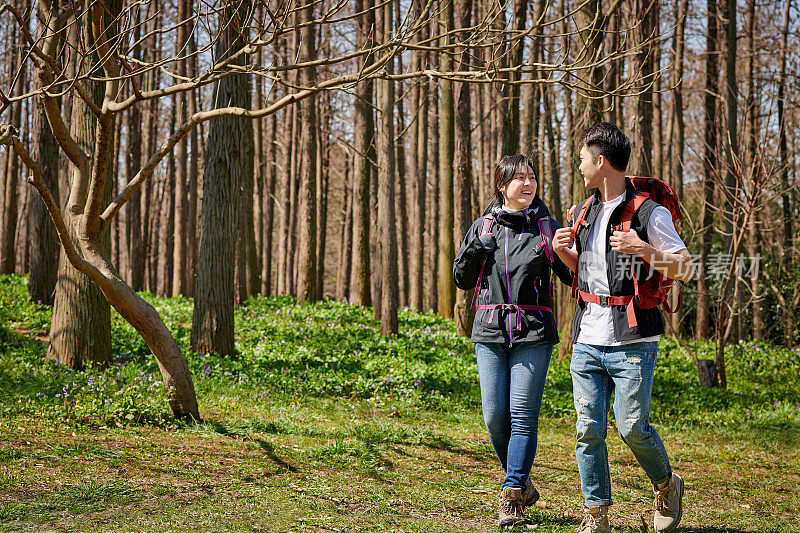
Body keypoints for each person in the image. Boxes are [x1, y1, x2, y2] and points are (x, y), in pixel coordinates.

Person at [551, 123, 693, 533]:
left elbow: (685, 268)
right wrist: (566, 254)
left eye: (582, 159)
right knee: (587, 427)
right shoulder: (583, 211)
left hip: (634, 338)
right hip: (586, 337)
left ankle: (666, 483)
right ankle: (595, 513)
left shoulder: (650, 212)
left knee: (632, 426)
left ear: (601, 161)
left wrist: (644, 249)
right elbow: (591, 276)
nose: (578, 167)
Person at [453, 155, 574, 527]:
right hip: (489, 328)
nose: (527, 183)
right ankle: (520, 481)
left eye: (532, 177)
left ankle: (512, 495)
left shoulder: (546, 226)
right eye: (518, 177)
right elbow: (460, 277)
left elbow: (572, 277)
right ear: (501, 186)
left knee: (522, 414)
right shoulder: (483, 225)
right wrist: (477, 249)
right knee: (494, 416)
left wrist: (565, 245)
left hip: (534, 330)